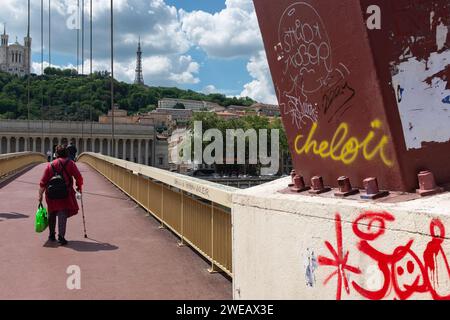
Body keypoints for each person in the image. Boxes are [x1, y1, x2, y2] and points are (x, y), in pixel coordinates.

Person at [38, 145, 84, 245]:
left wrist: (40, 195)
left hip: (51, 194)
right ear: (67, 154)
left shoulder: (51, 165)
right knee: (62, 214)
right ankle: (61, 237)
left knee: (52, 213)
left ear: (56, 154)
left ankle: (51, 235)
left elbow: (43, 181)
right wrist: (79, 187)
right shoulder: (70, 163)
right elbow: (78, 177)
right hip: (65, 193)